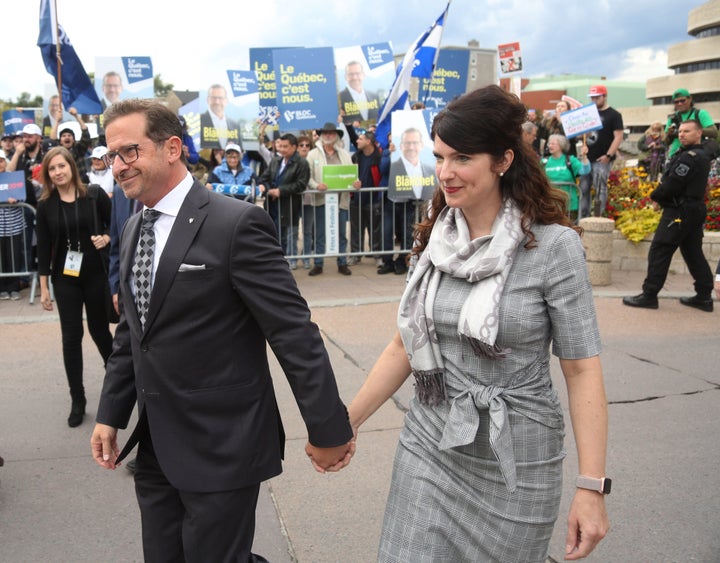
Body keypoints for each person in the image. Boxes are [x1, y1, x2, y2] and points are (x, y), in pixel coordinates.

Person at [329, 85, 610, 561]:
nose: (444, 173)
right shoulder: (436, 236)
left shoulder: (554, 247)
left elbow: (582, 370)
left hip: (518, 458)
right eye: (440, 157)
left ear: (503, 160)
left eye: (461, 158)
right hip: (430, 441)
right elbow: (404, 345)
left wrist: (591, 487)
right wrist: (346, 423)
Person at [90, 99, 354, 562]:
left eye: (129, 152)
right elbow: (133, 334)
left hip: (223, 445)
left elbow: (293, 332)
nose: (117, 166)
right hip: (156, 449)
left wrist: (328, 428)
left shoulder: (236, 223)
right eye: (112, 156)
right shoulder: (134, 227)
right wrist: (110, 413)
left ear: (172, 148)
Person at [36, 146, 114, 427]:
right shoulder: (45, 205)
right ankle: (77, 399)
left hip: (94, 274)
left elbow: (115, 224)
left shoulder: (92, 194)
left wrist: (106, 238)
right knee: (71, 338)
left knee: (100, 332)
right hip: (64, 278)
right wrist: (44, 288)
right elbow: (43, 249)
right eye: (52, 169)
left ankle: (121, 386)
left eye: (61, 166)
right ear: (47, 174)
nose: (58, 172)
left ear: (71, 167)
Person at [623, 119, 714, 312]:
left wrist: (655, 196)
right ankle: (704, 296)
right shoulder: (698, 154)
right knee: (693, 252)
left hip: (679, 212)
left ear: (698, 133)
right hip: (692, 210)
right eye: (680, 131)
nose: (681, 134)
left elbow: (674, 183)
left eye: (687, 131)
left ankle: (649, 295)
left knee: (660, 250)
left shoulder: (691, 157)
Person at [305, 122, 355, 276]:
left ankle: (342, 262)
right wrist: (316, 185)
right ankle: (318, 263)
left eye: (331, 133)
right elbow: (308, 176)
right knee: (320, 234)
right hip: (321, 200)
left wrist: (355, 183)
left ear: (336, 136)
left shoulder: (345, 155)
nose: (328, 135)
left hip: (340, 201)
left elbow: (351, 176)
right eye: (325, 133)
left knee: (341, 233)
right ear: (320, 135)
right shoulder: (313, 154)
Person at [257, 133, 309, 269]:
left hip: (290, 204)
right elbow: (264, 178)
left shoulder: (301, 163)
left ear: (294, 147)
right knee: (275, 233)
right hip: (273, 204)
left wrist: (281, 191)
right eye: (281, 146)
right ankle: (278, 258)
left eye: (285, 146)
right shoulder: (275, 161)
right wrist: (269, 189)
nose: (282, 149)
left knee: (291, 233)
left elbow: (301, 183)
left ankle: (291, 259)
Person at [579, 85, 624, 218]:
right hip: (587, 158)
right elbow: (583, 134)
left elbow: (618, 136)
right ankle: (583, 217)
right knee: (584, 188)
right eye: (592, 98)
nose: (594, 100)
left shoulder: (614, 115)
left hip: (602, 158)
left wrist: (609, 155)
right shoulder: (588, 113)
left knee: (600, 188)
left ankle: (599, 217)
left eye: (597, 97)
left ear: (604, 96)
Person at [349, 131, 382, 265]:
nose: (357, 141)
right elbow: (350, 175)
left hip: (373, 200)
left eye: (360, 139)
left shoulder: (379, 157)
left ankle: (377, 254)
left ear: (368, 141)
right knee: (356, 230)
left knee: (375, 229)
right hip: (356, 200)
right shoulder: (356, 157)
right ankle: (356, 255)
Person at [542, 134, 590, 222]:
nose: (550, 146)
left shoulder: (570, 160)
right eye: (549, 144)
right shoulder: (544, 162)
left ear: (561, 145)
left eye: (553, 143)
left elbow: (585, 170)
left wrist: (584, 156)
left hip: (569, 205)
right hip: (549, 205)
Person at [0, 149, 26, 300]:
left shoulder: (14, 178)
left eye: (1, 160)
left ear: (6, 161)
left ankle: (14, 288)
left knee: (14, 257)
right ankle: (2, 288)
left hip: (14, 227)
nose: (0, 164)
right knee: (1, 259)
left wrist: (16, 200)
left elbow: (22, 197)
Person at [665, 88, 717, 161]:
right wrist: (669, 134)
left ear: (690, 99)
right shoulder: (673, 118)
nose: (680, 103)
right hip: (675, 155)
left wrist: (694, 130)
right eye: (676, 102)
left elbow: (714, 132)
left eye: (683, 100)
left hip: (697, 155)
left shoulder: (700, 113)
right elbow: (666, 141)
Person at [51, 107, 92, 184]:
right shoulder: (57, 153)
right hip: (64, 185)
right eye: (64, 136)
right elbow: (52, 141)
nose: (67, 137)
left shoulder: (79, 150)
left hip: (80, 184)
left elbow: (86, 134)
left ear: (73, 140)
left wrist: (76, 116)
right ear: (60, 141)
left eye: (69, 135)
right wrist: (57, 121)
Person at [200, 84, 241, 150]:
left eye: (220, 98)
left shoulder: (235, 125)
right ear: (208, 100)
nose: (217, 102)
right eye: (214, 98)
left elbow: (240, 149)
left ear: (226, 101)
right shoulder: (199, 121)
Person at [339, 61, 381, 125]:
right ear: (345, 77)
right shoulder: (338, 98)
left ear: (363, 75)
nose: (354, 77)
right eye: (351, 74)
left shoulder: (374, 96)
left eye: (357, 73)